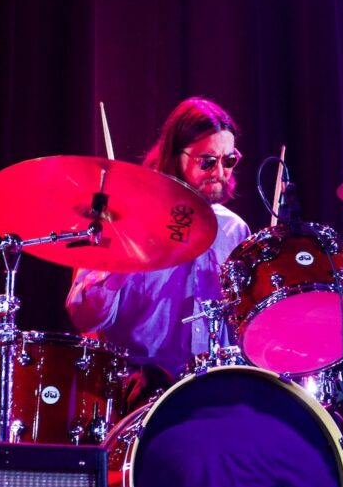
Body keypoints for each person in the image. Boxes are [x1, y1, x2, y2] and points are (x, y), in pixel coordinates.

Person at [66, 97, 250, 389]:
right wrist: (123, 260)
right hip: (137, 391)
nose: (219, 173)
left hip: (213, 389)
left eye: (228, 161)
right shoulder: (122, 217)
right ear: (175, 156)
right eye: (207, 162)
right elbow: (84, 318)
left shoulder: (233, 230)